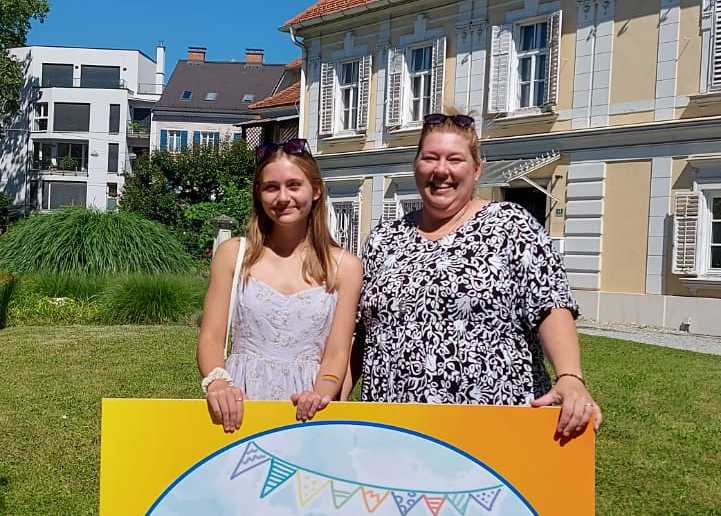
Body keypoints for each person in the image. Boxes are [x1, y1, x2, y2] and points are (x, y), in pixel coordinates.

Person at [356, 113, 602, 437]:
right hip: (396, 430)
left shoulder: (511, 224)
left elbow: (550, 303)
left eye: (454, 159)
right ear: (415, 166)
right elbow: (359, 333)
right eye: (430, 158)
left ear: (476, 169)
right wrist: (327, 400)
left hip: (492, 430)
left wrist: (570, 377)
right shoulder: (384, 239)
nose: (441, 170)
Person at [197, 138, 362, 433]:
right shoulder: (233, 255)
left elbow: (337, 352)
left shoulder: (345, 267)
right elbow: (211, 337)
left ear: (316, 190)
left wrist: (322, 393)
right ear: (258, 194)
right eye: (271, 187)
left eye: (294, 185)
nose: (283, 197)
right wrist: (218, 382)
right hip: (241, 401)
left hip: (307, 407)